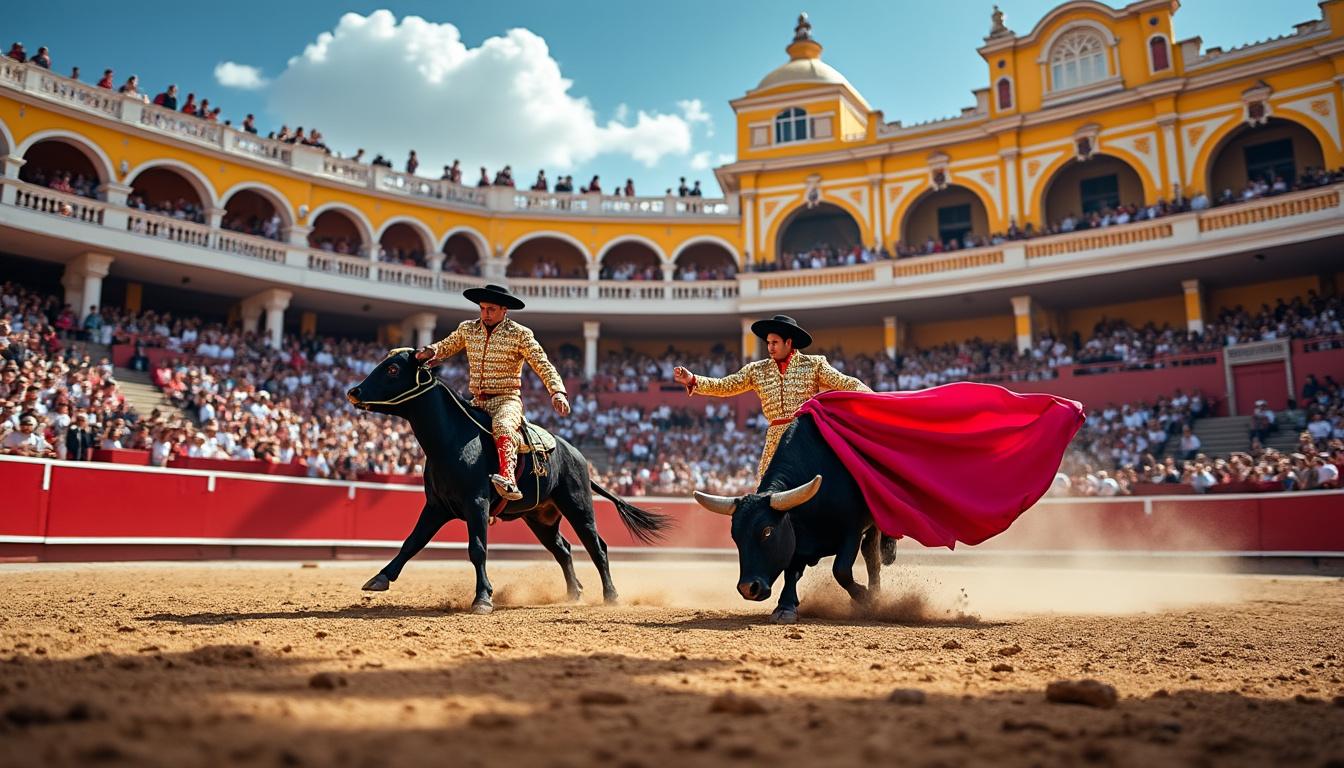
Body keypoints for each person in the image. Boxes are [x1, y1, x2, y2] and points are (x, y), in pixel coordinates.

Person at [415, 284, 570, 501]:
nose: (485, 314)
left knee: (503, 426)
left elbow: (542, 363)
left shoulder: (520, 334)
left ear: (504, 310)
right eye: (482, 308)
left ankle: (508, 479)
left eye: (491, 309)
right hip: (477, 401)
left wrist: (557, 391)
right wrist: (431, 351)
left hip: (507, 400)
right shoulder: (468, 329)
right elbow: (447, 346)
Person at [673, 314, 870, 477]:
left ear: (789, 342)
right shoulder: (757, 370)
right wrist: (693, 380)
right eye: (768, 343)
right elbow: (725, 385)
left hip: (805, 434)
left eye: (775, 343)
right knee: (765, 490)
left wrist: (873, 397)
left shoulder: (814, 364)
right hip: (775, 440)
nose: (770, 348)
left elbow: (845, 383)